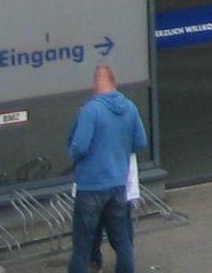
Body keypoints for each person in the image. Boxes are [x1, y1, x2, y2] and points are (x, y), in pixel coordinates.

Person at [66, 63, 148, 273]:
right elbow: (140, 142)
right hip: (118, 185)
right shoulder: (130, 107)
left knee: (83, 245)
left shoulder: (90, 110)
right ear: (114, 82)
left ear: (95, 83)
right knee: (122, 241)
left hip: (91, 186)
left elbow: (78, 147)